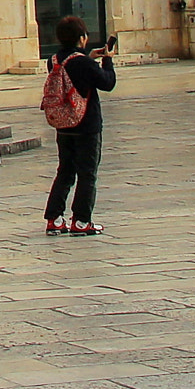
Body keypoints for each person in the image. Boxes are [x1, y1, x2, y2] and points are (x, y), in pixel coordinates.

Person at [42, 15, 115, 235]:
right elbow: (107, 82)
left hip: (64, 125)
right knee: (87, 173)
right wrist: (107, 60)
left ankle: (54, 218)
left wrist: (88, 57)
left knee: (65, 171)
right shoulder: (84, 63)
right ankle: (82, 221)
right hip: (87, 125)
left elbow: (72, 66)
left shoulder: (53, 60)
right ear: (82, 38)